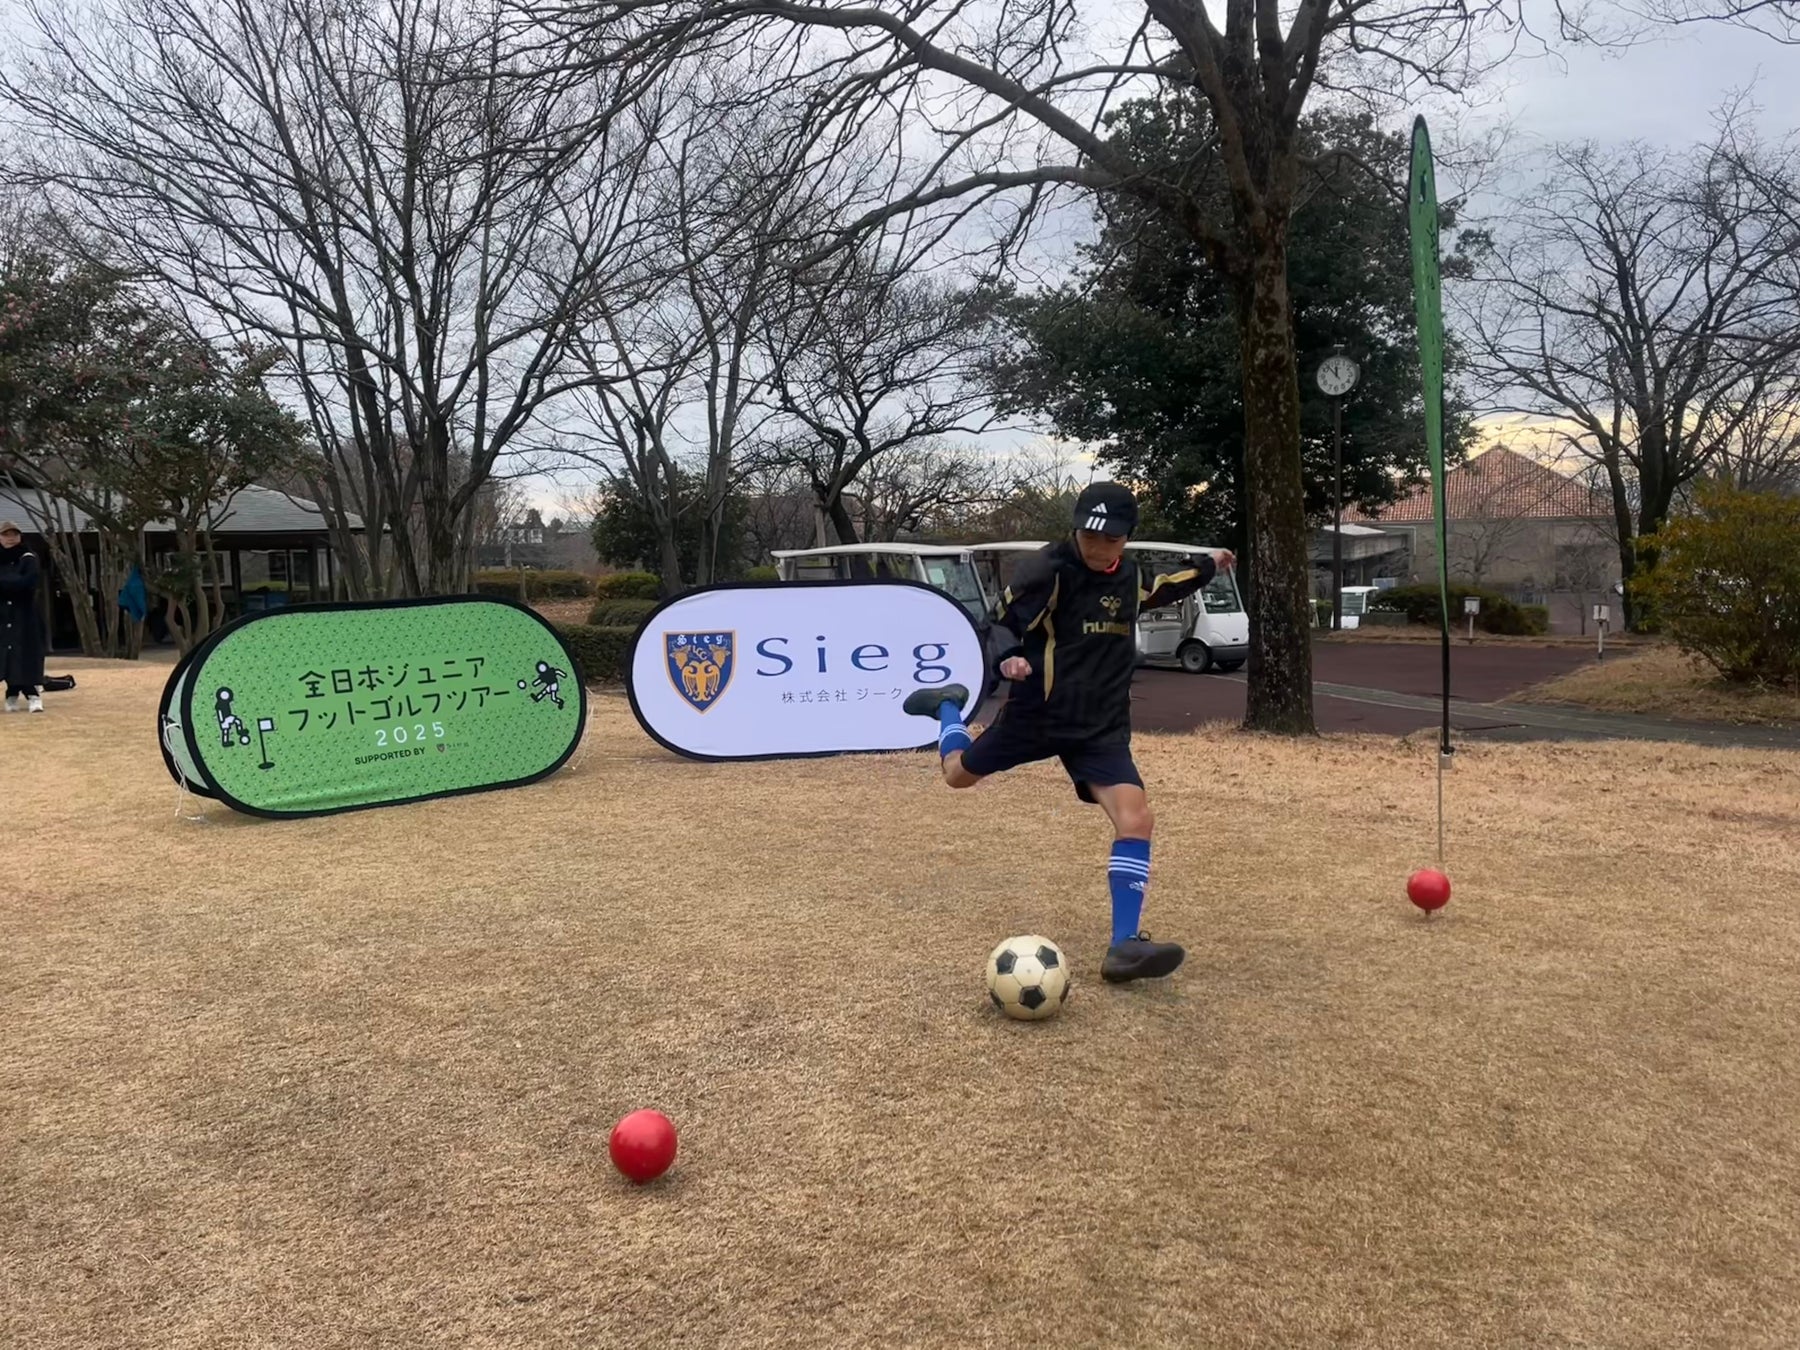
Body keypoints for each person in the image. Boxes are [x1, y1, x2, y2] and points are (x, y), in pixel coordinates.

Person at [902, 482, 1233, 983]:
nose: (1098, 548)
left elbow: (1162, 588)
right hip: (1038, 715)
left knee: (1137, 819)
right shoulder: (1047, 570)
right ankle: (947, 708)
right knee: (957, 776)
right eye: (1089, 536)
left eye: (1111, 540)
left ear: (1127, 538)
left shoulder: (1129, 575)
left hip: (1100, 726)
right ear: (1075, 529)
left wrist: (1209, 565)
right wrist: (1008, 658)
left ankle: (1124, 947)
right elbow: (1000, 624)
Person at [0, 519, 47, 713]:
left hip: (25, 612)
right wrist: (13, 583)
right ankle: (11, 692)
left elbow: (29, 582)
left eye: (14, 534)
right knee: (6, 653)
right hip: (2, 613)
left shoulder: (28, 557)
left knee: (25, 652)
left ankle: (32, 694)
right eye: (6, 535)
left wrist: (7, 584)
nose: (10, 538)